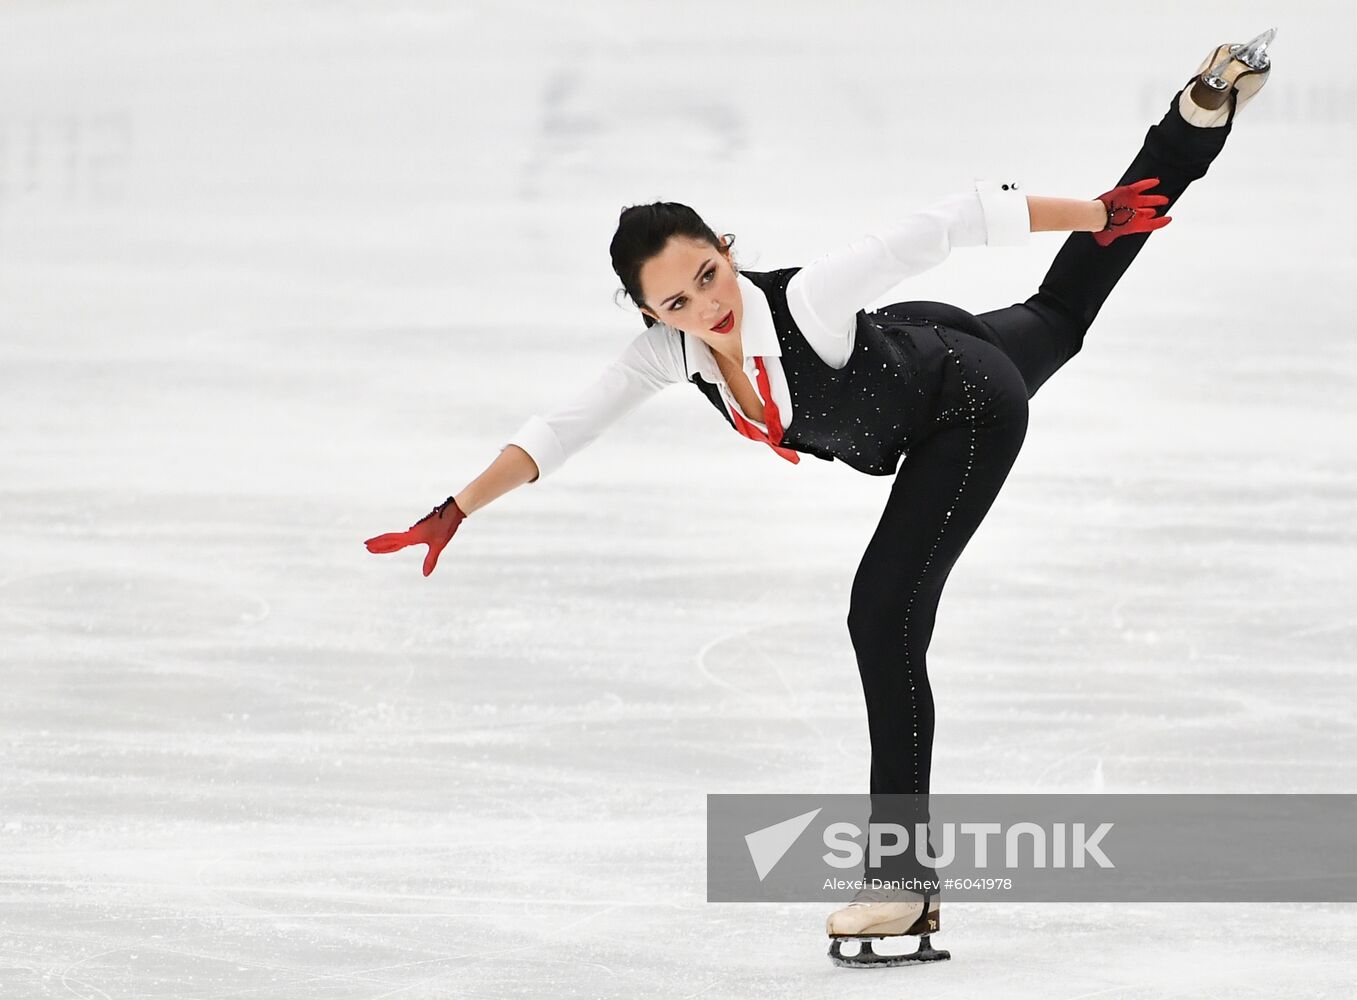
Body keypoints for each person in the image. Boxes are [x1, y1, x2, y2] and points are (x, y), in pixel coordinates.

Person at [365, 30, 1275, 969]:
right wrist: (458, 505)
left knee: (882, 615)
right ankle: (1195, 116)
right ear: (648, 314)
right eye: (674, 303)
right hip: (930, 365)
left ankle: (900, 876)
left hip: (964, 406)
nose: (703, 307)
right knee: (1061, 315)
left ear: (725, 249)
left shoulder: (805, 298)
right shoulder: (667, 356)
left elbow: (948, 221)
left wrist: (1093, 210)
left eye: (707, 276)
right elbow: (562, 426)